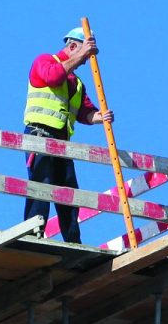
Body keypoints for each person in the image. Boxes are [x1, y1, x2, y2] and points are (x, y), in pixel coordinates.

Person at [23, 26, 113, 242]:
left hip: (62, 144)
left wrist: (99, 117)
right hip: (39, 135)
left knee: (69, 193)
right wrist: (84, 53)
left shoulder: (76, 83)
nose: (84, 62)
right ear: (73, 46)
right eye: (83, 56)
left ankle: (73, 240)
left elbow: (85, 112)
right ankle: (33, 234)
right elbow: (52, 77)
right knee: (41, 185)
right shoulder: (45, 60)